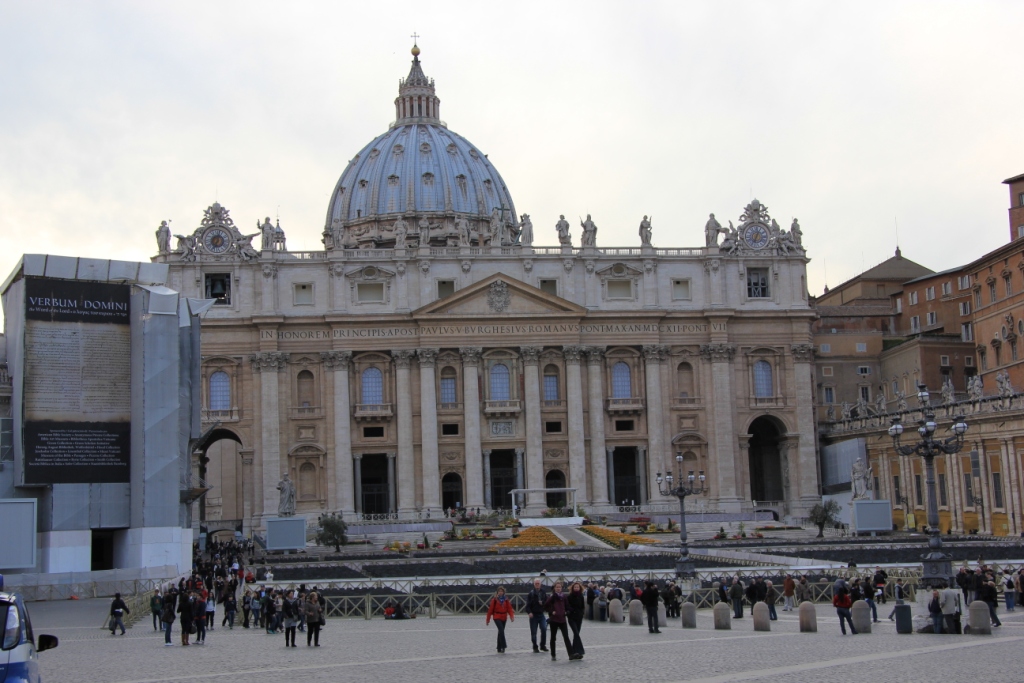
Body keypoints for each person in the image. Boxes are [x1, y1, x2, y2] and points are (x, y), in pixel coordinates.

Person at [543, 581, 573, 661]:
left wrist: (567, 612)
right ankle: (553, 654)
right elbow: (546, 606)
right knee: (553, 638)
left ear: (561, 588)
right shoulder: (552, 597)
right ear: (554, 588)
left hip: (562, 619)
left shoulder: (564, 596)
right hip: (554, 620)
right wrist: (551, 611)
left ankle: (570, 654)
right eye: (557, 587)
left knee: (566, 637)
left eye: (559, 587)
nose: (558, 588)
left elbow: (567, 606)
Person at [485, 586, 515, 654]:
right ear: (497, 592)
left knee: (500, 632)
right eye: (499, 591)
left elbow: (509, 608)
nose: (500, 593)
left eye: (501, 591)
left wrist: (511, 616)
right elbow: (490, 610)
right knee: (501, 631)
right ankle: (503, 646)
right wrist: (488, 620)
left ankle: (498, 647)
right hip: (497, 616)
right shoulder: (494, 600)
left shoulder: (506, 600)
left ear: (503, 592)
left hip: (504, 617)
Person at [525, 578, 548, 653]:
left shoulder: (543, 592)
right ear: (534, 584)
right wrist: (529, 612)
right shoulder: (531, 593)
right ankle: (535, 646)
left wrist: (543, 603)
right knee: (534, 632)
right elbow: (527, 605)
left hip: (541, 614)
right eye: (536, 583)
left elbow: (547, 602)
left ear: (540, 584)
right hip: (533, 615)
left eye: (538, 583)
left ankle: (542, 645)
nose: (537, 585)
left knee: (544, 629)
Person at [566, 582, 585, 660]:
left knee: (576, 635)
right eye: (575, 587)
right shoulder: (569, 597)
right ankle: (580, 651)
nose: (576, 588)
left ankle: (574, 652)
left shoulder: (581, 596)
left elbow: (583, 606)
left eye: (577, 587)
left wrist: (582, 613)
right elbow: (567, 606)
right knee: (576, 633)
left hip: (579, 617)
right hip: (572, 618)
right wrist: (571, 612)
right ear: (572, 588)